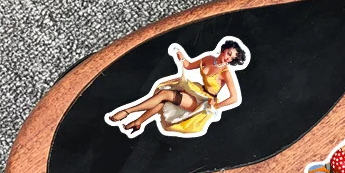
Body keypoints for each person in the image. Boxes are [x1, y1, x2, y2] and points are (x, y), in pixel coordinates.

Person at [106, 38, 248, 136]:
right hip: (198, 91)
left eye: (232, 58)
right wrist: (181, 56)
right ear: (224, 49)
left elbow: (234, 98)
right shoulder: (209, 58)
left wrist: (215, 105)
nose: (228, 58)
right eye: (229, 53)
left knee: (164, 94)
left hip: (203, 102)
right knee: (163, 102)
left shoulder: (225, 73)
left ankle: (127, 111)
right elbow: (189, 65)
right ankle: (138, 122)